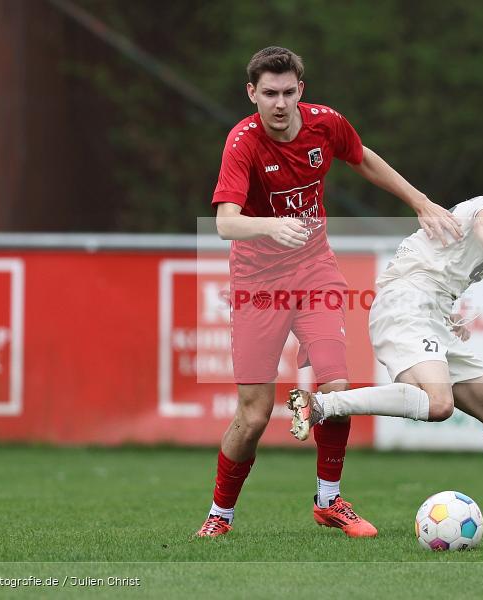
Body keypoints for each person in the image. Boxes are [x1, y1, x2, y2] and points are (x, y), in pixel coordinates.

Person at [197, 47, 461, 538]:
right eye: (269, 94)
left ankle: (330, 500)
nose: (279, 103)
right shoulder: (242, 142)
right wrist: (272, 226)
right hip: (258, 286)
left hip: (316, 272)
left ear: (302, 89)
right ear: (252, 93)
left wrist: (420, 202)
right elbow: (224, 223)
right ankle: (220, 516)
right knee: (253, 416)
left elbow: (364, 159)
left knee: (336, 390)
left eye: (288, 92)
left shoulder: (325, 124)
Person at [288, 141, 483, 535]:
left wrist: (449, 314)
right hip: (408, 304)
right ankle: (322, 404)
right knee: (438, 404)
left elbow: (442, 260)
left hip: (430, 312)